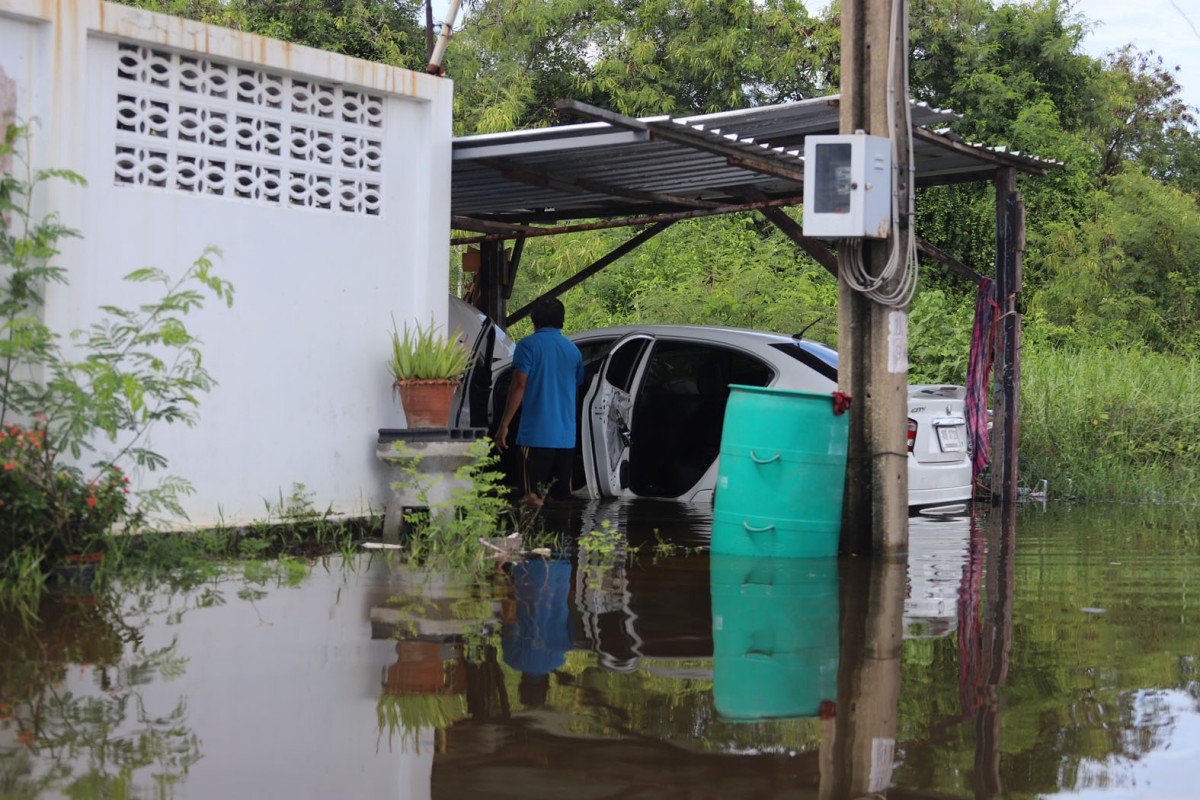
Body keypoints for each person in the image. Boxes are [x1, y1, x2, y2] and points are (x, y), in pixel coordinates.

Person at [495, 297, 584, 506]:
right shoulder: (573, 351)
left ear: (534, 319)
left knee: (532, 498)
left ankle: (532, 538)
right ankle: (560, 537)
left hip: (535, 437)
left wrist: (504, 424)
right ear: (561, 320)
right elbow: (577, 386)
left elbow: (518, 385)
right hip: (565, 439)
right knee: (559, 499)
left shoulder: (528, 346)